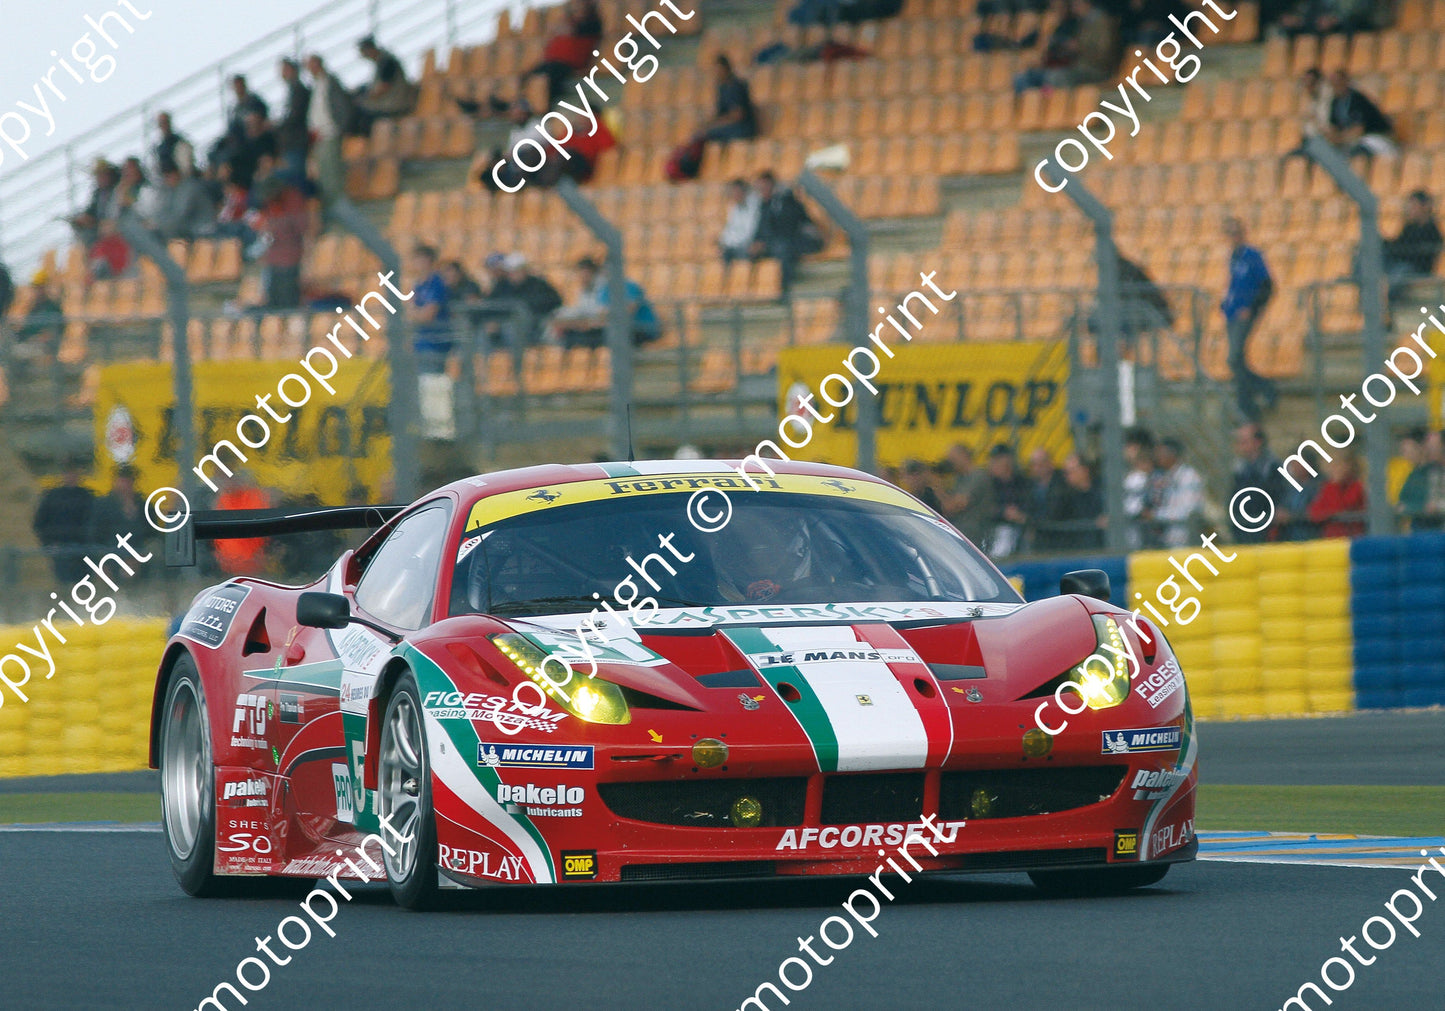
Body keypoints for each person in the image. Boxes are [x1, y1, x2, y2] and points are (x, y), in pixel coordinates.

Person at [1221, 217, 1277, 421]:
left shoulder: (1252, 255)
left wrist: (1251, 309)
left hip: (1243, 314)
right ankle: (1249, 399)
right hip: (1232, 314)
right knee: (1237, 360)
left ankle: (1260, 393)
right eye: (1229, 233)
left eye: (1236, 232)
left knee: (1234, 357)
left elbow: (1267, 285)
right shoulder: (1233, 257)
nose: (1233, 237)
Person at [550, 257, 660, 349]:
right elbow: (602, 315)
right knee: (574, 336)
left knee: (610, 333)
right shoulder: (604, 291)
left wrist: (596, 322)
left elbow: (627, 311)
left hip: (641, 328)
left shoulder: (629, 285)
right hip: (616, 329)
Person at [750, 171, 824, 295]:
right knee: (743, 253)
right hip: (774, 243)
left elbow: (790, 226)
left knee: (783, 250)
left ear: (771, 185)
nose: (761, 191)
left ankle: (785, 291)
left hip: (791, 242)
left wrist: (764, 242)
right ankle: (751, 290)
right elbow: (761, 228)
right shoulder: (764, 206)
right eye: (759, 189)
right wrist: (757, 242)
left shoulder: (787, 201)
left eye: (763, 187)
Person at [522, 0, 603, 106]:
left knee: (551, 78)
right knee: (529, 75)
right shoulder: (570, 21)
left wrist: (568, 30)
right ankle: (515, 104)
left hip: (571, 62)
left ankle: (550, 107)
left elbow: (580, 32)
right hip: (555, 61)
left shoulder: (592, 23)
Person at [33, 462, 96, 582]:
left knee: (85, 584)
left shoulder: (87, 496)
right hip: (60, 549)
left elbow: (96, 522)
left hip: (84, 550)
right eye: (69, 473)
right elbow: (39, 523)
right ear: (63, 475)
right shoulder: (52, 497)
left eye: (74, 473)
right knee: (64, 584)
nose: (71, 476)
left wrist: (91, 543)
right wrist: (49, 543)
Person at [484, 253, 562, 349]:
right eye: (510, 272)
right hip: (506, 324)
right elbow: (491, 305)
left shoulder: (538, 285)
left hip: (534, 325)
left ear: (525, 270)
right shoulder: (502, 286)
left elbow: (555, 302)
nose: (513, 275)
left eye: (517, 271)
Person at [255, 176, 310, 309]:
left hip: (290, 259)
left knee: (288, 302)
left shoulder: (294, 201)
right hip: (274, 260)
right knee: (273, 302)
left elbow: (302, 228)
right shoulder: (270, 206)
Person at [1231, 422, 1291, 542]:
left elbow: (1281, 498)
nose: (1240, 446)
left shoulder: (1272, 468)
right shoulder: (1240, 470)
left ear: (1258, 442)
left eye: (1244, 442)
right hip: (1244, 532)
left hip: (1267, 534)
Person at [306, 54, 353, 203]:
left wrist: (340, 127)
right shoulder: (316, 85)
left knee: (331, 173)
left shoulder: (330, 82)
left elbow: (341, 106)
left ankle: (338, 204)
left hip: (330, 133)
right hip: (319, 136)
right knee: (324, 174)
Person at [89, 465, 155, 563]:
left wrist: (137, 557)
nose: (124, 485)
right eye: (121, 481)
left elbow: (151, 535)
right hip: (109, 553)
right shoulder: (102, 506)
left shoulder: (144, 506)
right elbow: (95, 535)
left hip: (138, 555)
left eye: (128, 481)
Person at [1041, 453, 1105, 551]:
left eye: (1071, 472)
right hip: (1075, 549)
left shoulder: (1102, 489)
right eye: (1065, 472)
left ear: (1084, 470)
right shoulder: (1064, 496)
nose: (1067, 476)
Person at [1325, 69, 1394, 158]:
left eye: (1338, 82)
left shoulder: (1357, 99)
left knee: (1356, 155)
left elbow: (1359, 130)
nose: (1336, 86)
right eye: (1333, 84)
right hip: (1352, 142)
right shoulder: (1335, 102)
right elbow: (1333, 127)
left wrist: (1340, 138)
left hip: (1374, 138)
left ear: (1346, 81)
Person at [354, 36, 417, 132]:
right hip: (391, 103)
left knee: (360, 116)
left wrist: (366, 97)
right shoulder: (382, 61)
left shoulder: (387, 61)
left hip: (395, 105)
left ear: (370, 50)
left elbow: (383, 87)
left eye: (363, 52)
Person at [1151, 437, 1206, 548]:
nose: (1157, 457)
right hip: (1166, 540)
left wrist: (1156, 515)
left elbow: (1187, 512)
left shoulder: (1189, 477)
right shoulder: (1164, 476)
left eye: (1161, 453)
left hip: (1184, 540)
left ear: (1172, 455)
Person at [938, 443, 996, 546]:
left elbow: (954, 506)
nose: (951, 463)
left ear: (963, 456)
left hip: (976, 537)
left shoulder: (977, 476)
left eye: (953, 459)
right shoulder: (959, 479)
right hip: (963, 536)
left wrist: (935, 485)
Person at [1383, 190, 1443, 291]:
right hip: (1400, 263)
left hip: (1418, 271)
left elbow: (1424, 256)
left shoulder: (1432, 230)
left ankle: (1389, 303)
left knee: (1400, 273)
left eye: (1414, 206)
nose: (1410, 209)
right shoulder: (1409, 227)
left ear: (1425, 207)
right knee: (1371, 257)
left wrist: (1406, 251)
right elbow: (1398, 245)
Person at [407, 244, 452, 370]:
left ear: (428, 260)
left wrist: (416, 314)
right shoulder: (418, 284)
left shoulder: (436, 283)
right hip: (421, 340)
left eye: (419, 258)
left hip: (435, 341)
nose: (416, 262)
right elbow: (409, 311)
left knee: (431, 378)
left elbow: (428, 315)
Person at [697, 55, 758, 144]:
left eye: (719, 70)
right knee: (699, 133)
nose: (717, 73)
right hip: (730, 126)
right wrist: (708, 124)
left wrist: (716, 124)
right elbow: (719, 114)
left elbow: (738, 115)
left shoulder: (737, 86)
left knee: (706, 134)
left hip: (742, 128)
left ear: (726, 69)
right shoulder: (722, 88)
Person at [1307, 452, 1366, 538]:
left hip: (1353, 539)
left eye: (1339, 466)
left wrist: (1335, 485)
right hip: (1332, 539)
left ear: (1350, 468)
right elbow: (1314, 513)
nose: (1334, 470)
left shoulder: (1357, 487)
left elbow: (1342, 507)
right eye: (1334, 466)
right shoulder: (1328, 487)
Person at [985, 444, 1030, 557]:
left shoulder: (1022, 482)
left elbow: (1030, 505)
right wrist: (1003, 512)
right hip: (992, 528)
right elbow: (983, 509)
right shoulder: (988, 484)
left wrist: (1020, 515)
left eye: (999, 460)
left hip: (1019, 528)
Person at [1399, 429, 1445, 531]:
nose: (1405, 455)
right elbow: (1402, 501)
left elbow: (1433, 506)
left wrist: (1434, 507)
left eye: (1407, 450)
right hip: (1421, 528)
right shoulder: (1415, 475)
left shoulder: (1434, 472)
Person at [68, 160, 119, 249]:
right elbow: (91, 210)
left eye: (102, 175)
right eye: (98, 175)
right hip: (99, 228)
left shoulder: (116, 191)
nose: (100, 178)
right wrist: (84, 218)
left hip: (115, 226)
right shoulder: (98, 193)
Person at [276, 58, 312, 183]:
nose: (282, 73)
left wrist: (278, 125)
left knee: (295, 175)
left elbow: (295, 116)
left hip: (297, 141)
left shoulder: (298, 90)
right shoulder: (293, 90)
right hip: (292, 143)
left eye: (285, 70)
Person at [719, 178, 761, 263]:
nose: (734, 194)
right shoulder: (733, 207)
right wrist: (724, 242)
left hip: (747, 244)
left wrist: (732, 243)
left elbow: (750, 231)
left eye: (736, 191)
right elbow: (729, 228)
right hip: (735, 245)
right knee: (724, 252)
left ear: (744, 191)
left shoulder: (754, 206)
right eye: (733, 192)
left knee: (743, 253)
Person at [151, 112, 194, 177]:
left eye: (165, 122)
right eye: (161, 123)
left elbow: (186, 168)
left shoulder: (180, 143)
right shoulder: (158, 146)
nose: (163, 125)